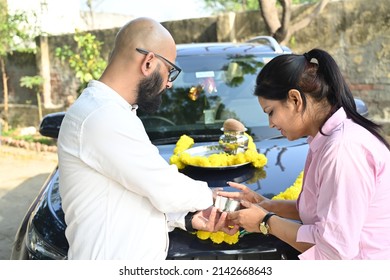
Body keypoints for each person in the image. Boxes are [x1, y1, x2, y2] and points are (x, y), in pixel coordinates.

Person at [57, 17, 228, 260]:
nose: (169, 83)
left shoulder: (114, 112)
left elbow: (134, 191)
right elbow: (164, 187)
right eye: (170, 71)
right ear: (148, 62)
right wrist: (215, 197)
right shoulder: (101, 116)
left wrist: (187, 219)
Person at [218, 48, 390, 260]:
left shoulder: (343, 150)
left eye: (271, 112)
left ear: (295, 99)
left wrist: (265, 222)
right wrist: (267, 205)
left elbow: (333, 252)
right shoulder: (326, 140)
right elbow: (320, 212)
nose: (271, 124)